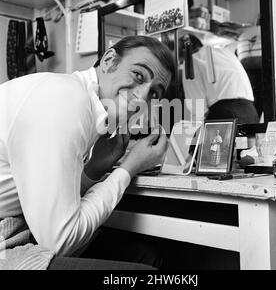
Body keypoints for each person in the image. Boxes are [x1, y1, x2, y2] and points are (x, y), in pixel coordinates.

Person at [0, 35, 174, 270]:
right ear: (109, 60)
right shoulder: (65, 99)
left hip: (15, 226)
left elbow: (54, 199)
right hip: (7, 240)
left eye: (154, 93)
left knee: (145, 255)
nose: (142, 97)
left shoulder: (82, 101)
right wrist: (128, 169)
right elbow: (60, 241)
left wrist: (95, 168)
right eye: (138, 75)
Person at [179, 34, 259, 124]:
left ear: (184, 51)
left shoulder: (191, 61)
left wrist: (194, 133)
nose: (180, 63)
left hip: (225, 115)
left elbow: (197, 109)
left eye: (180, 60)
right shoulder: (226, 52)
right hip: (251, 112)